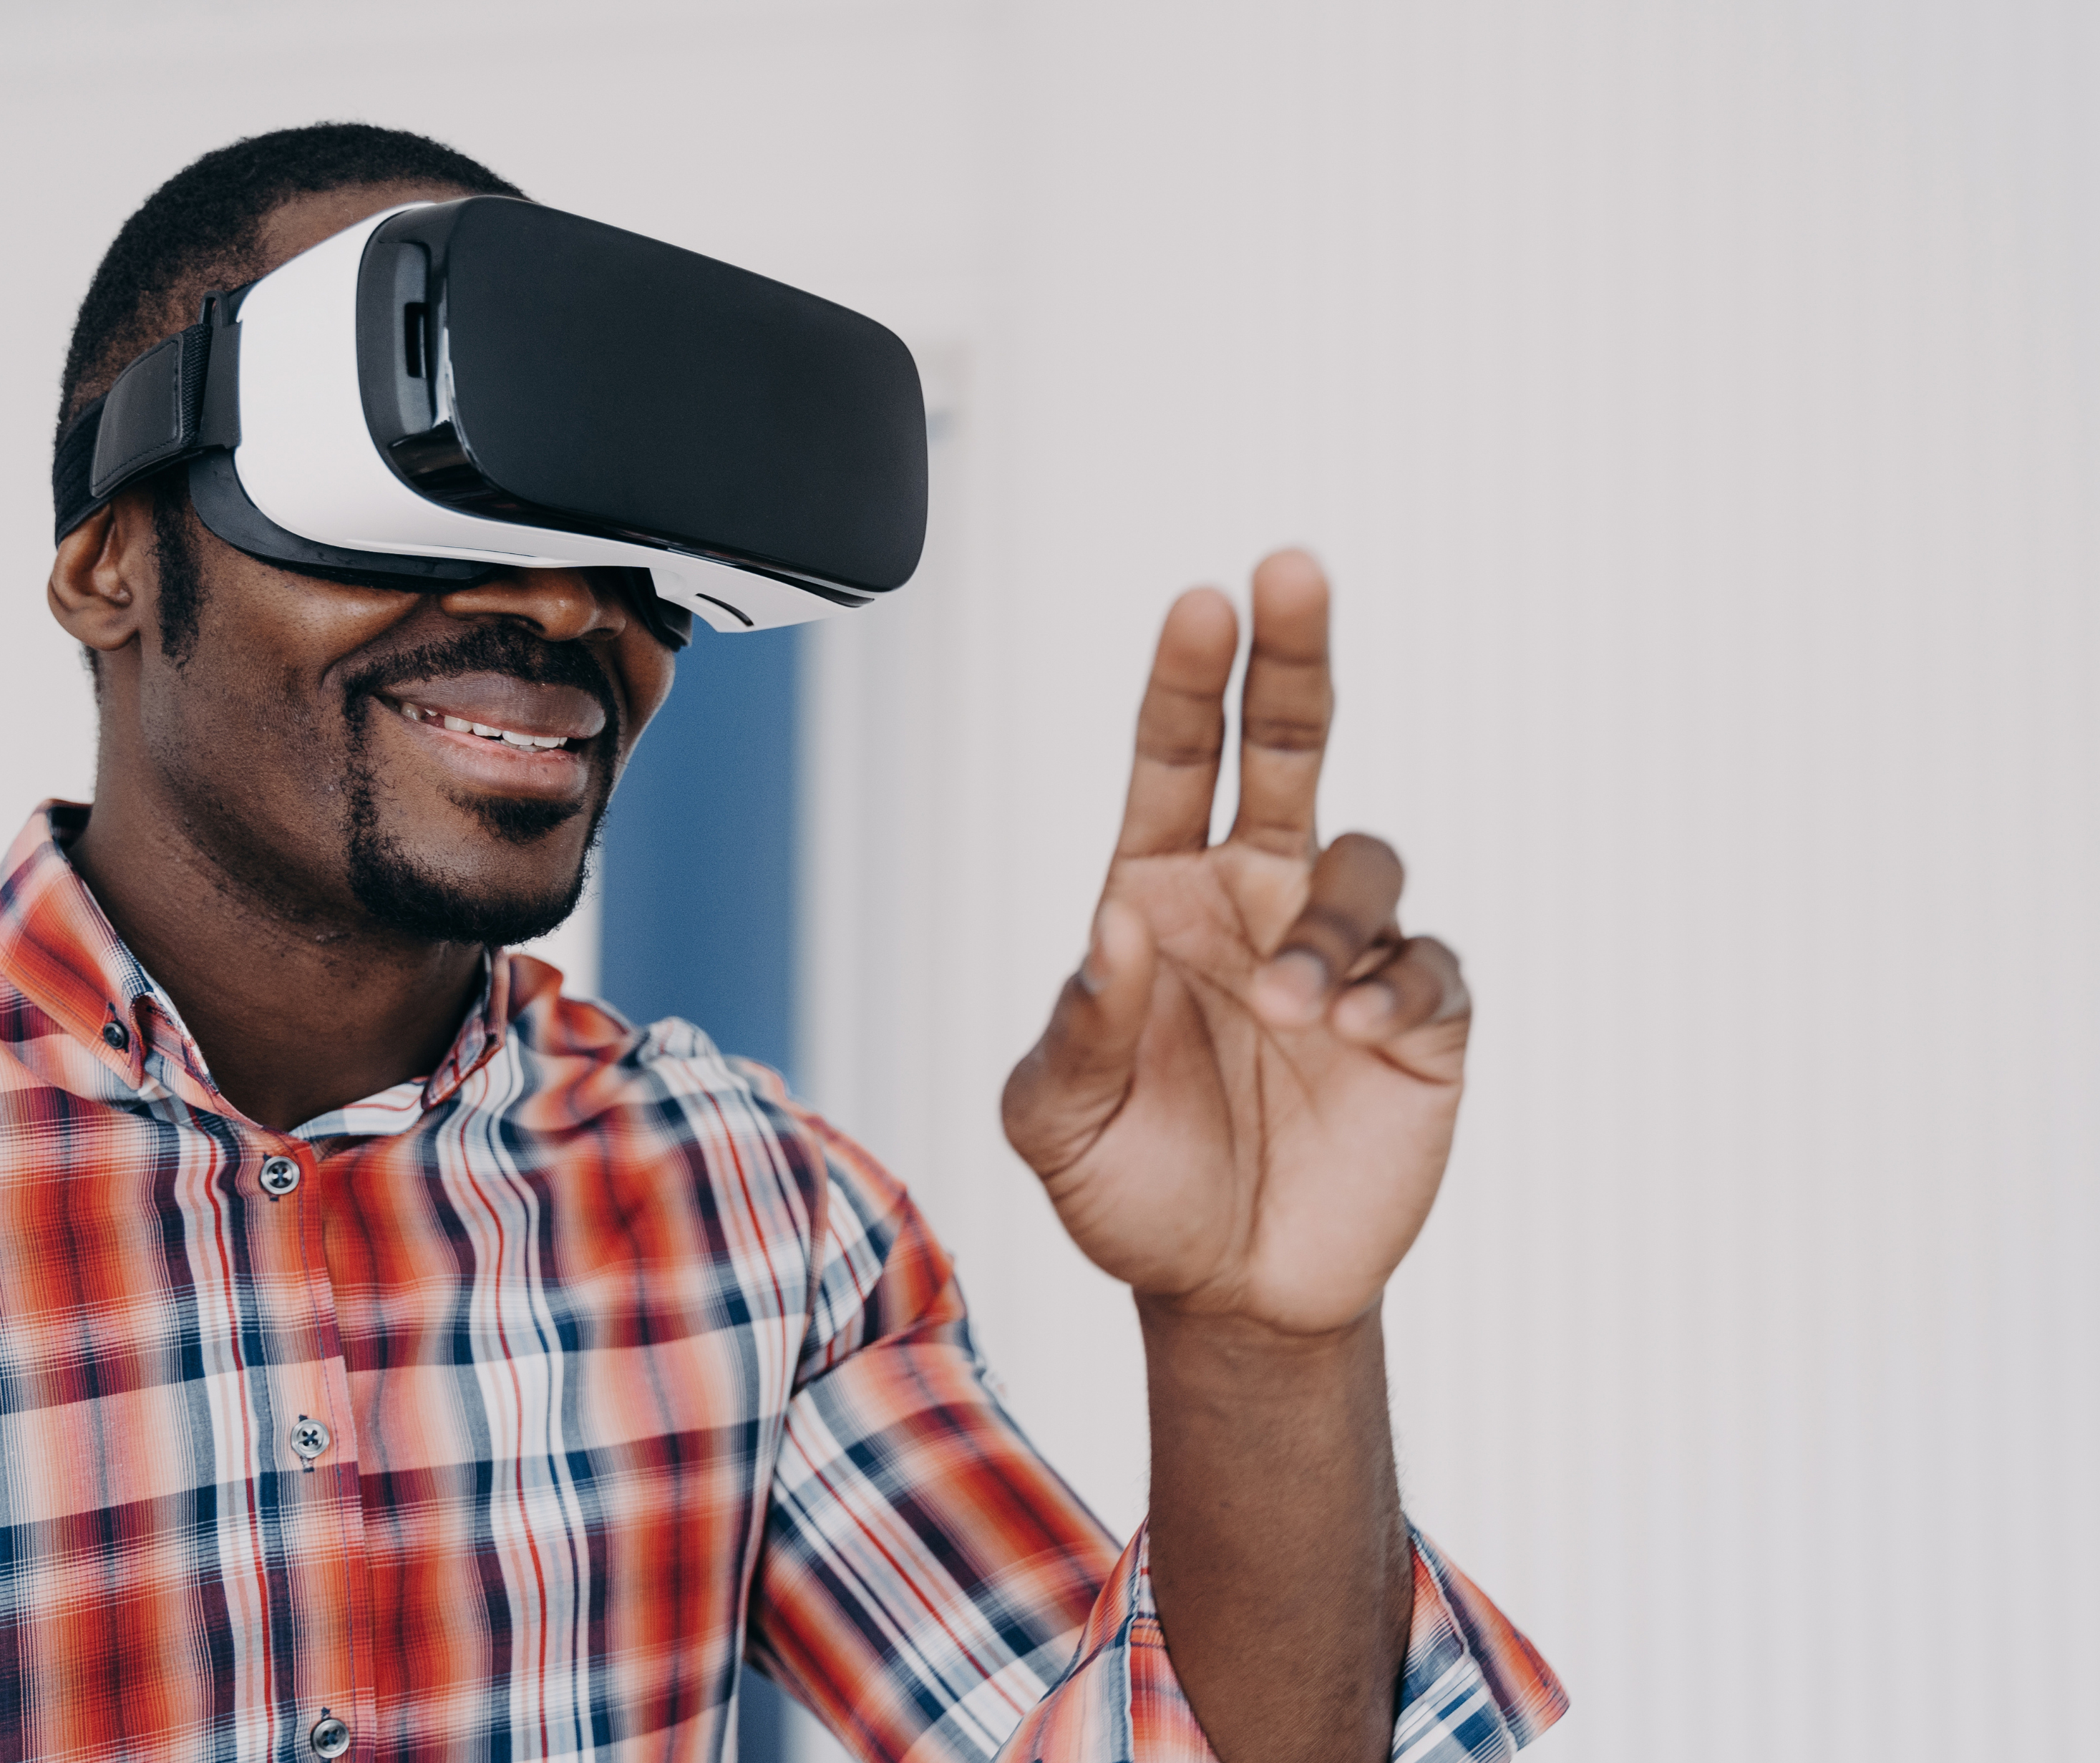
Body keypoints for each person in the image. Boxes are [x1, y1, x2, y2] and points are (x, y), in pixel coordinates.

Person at [5, 122, 1567, 1763]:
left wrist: (1262, 1345)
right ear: (112, 561)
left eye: (618, 533)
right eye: (415, 492)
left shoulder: (749, 1206)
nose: (559, 603)